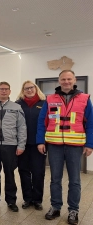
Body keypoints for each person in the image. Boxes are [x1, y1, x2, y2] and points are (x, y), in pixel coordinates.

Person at [37, 70, 93, 224]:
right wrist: (40, 141)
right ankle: (55, 207)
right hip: (54, 146)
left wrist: (89, 144)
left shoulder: (85, 99)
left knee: (75, 180)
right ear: (59, 80)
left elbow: (91, 124)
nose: (66, 82)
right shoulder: (50, 99)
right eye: (63, 79)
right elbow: (42, 122)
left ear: (74, 80)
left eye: (69, 79)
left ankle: (73, 210)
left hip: (75, 146)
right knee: (55, 179)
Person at [0, 81, 26, 212]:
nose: (3, 91)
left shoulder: (17, 107)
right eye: (1, 89)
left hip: (10, 146)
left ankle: (11, 200)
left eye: (6, 89)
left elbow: (22, 127)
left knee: (9, 174)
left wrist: (21, 145)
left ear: (10, 91)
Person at [15, 81, 46, 211]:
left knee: (38, 173)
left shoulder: (44, 103)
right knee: (24, 172)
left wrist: (43, 142)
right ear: (23, 90)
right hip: (22, 145)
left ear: (36, 88)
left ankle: (37, 200)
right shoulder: (18, 104)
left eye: (31, 87)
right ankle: (27, 199)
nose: (29, 90)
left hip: (39, 144)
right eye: (26, 88)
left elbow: (48, 123)